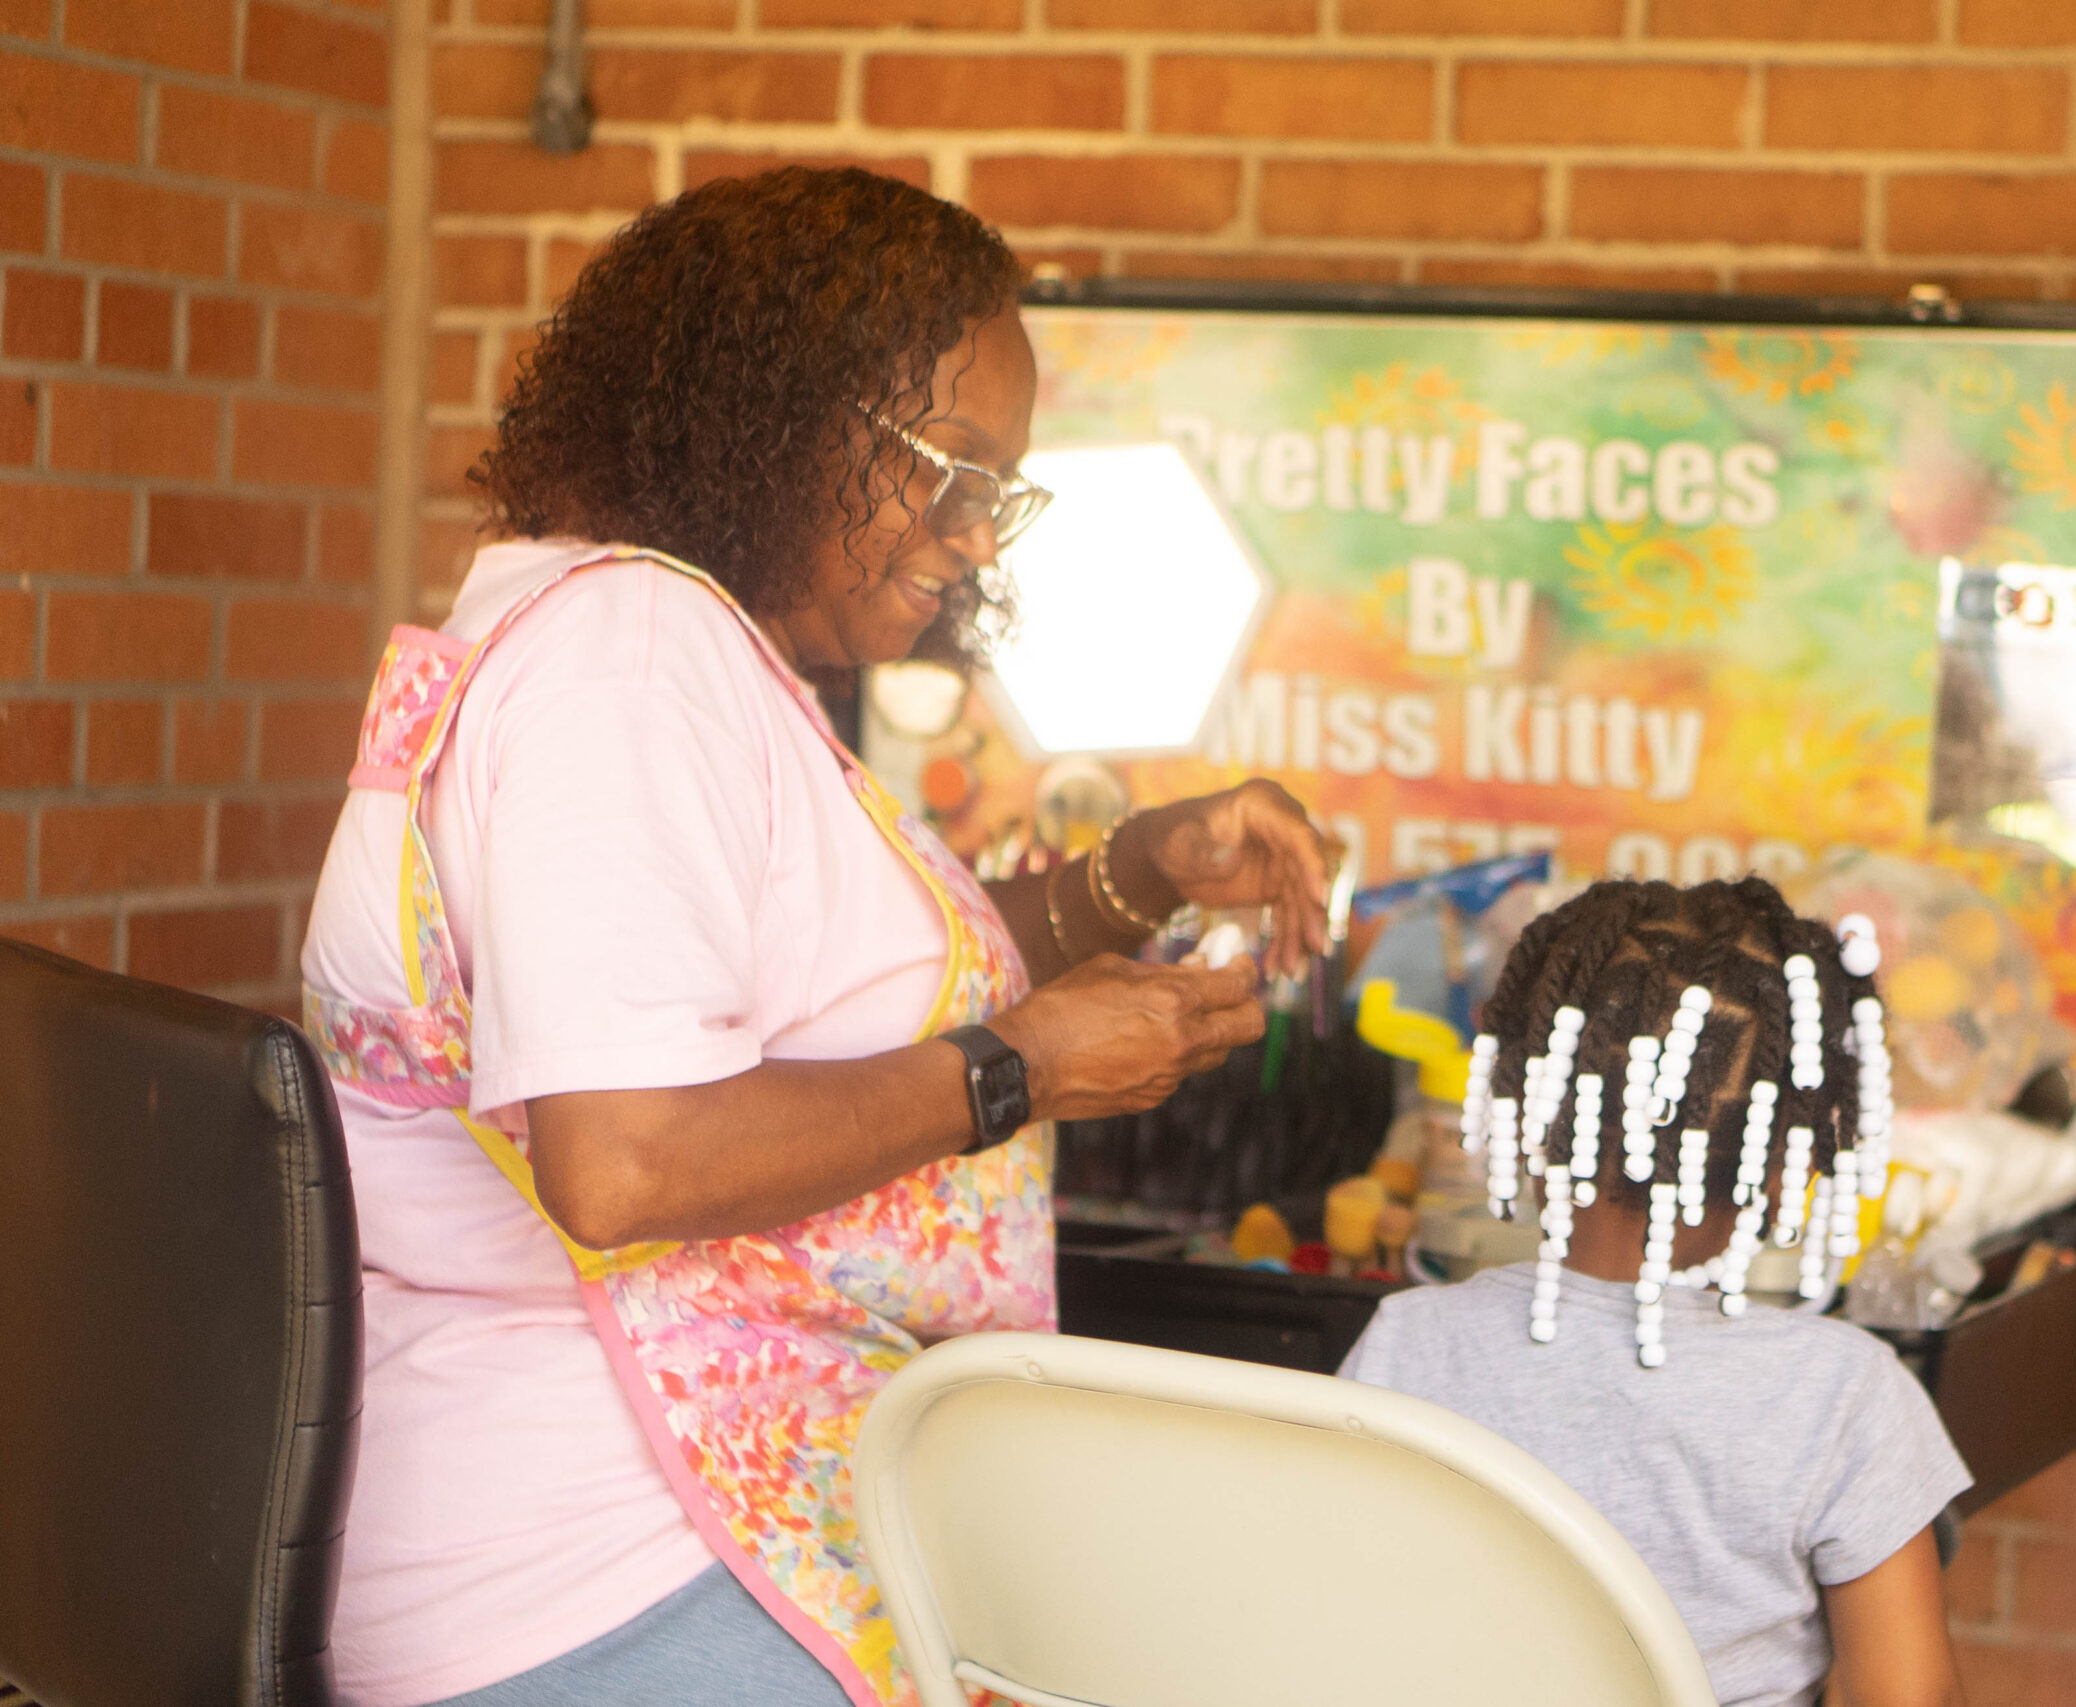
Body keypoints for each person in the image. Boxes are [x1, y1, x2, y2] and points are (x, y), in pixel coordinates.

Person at [299, 166, 1333, 1707]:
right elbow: (627, 1155)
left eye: (1003, 490)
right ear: (784, 414)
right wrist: (1012, 1074)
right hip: (596, 1581)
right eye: (952, 470)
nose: (977, 538)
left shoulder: (659, 642)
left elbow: (848, 992)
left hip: (651, 1532)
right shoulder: (624, 666)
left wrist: (1142, 869)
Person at [1336, 878, 1969, 1707]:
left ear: (1528, 1121)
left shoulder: (1407, 1344)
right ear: (1786, 1168)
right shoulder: (1844, 1397)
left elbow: (1341, 1632)